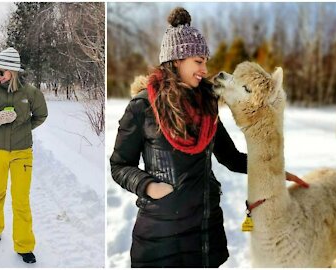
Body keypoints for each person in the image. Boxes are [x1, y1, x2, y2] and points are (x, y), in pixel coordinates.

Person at [109, 7, 308, 268]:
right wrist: (147, 186)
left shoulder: (207, 107)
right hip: (160, 236)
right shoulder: (142, 107)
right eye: (198, 61)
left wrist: (274, 170)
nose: (205, 69)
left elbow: (231, 157)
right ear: (176, 61)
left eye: (205, 61)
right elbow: (120, 165)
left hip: (205, 231)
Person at [0, 47, 48, 264]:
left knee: (21, 199)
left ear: (13, 71)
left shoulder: (31, 93)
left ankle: (24, 245)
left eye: (1, 72)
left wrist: (23, 128)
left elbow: (41, 115)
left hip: (22, 152)